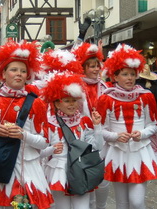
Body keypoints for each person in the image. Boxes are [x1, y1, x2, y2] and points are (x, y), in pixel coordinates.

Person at [0, 40, 54, 209]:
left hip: (27, 169)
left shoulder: (37, 103)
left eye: (23, 71)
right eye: (13, 69)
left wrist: (22, 135)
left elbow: (44, 142)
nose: (19, 74)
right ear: (3, 74)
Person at [97, 43, 157, 209]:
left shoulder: (146, 97)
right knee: (122, 203)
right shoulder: (106, 99)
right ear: (115, 76)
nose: (129, 78)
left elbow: (153, 125)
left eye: (132, 74)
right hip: (117, 153)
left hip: (140, 153)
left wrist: (141, 134)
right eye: (124, 74)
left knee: (137, 202)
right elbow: (99, 129)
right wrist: (115, 136)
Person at [40, 71, 103, 209]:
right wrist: (51, 149)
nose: (72, 104)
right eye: (66, 101)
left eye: (74, 100)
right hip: (58, 171)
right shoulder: (49, 124)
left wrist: (97, 126)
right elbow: (38, 152)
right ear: (57, 104)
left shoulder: (84, 121)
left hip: (81, 169)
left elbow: (97, 147)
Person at [72, 41, 110, 209]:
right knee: (87, 176)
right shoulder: (76, 86)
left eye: (97, 66)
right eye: (91, 66)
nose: (96, 69)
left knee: (103, 178)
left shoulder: (105, 86)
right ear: (83, 67)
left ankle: (101, 206)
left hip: (103, 135)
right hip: (83, 137)